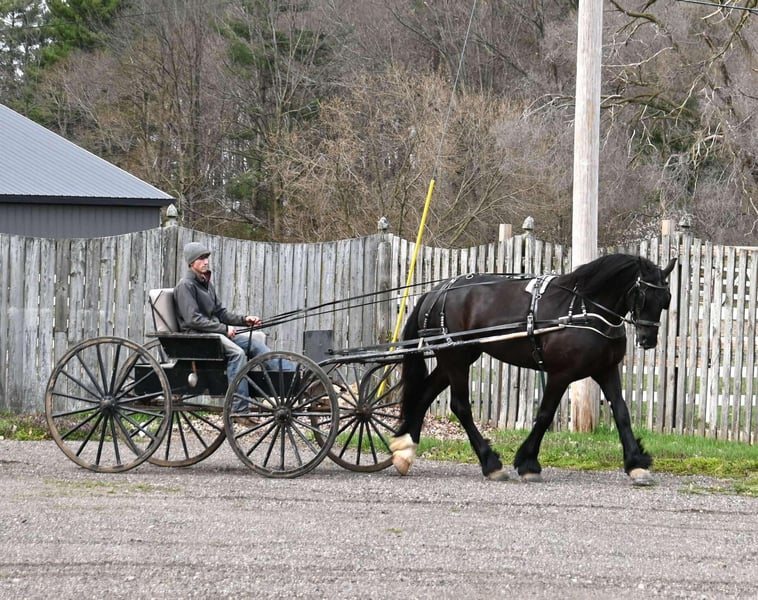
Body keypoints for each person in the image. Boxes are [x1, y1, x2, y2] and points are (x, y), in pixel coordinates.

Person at [173, 241, 284, 415]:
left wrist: (244, 320)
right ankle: (239, 409)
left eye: (206, 258)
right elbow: (193, 320)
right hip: (197, 337)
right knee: (237, 354)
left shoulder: (205, 283)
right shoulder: (186, 285)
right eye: (201, 258)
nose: (206, 262)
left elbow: (220, 313)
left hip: (212, 333)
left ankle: (289, 377)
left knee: (256, 344)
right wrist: (224, 329)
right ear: (191, 262)